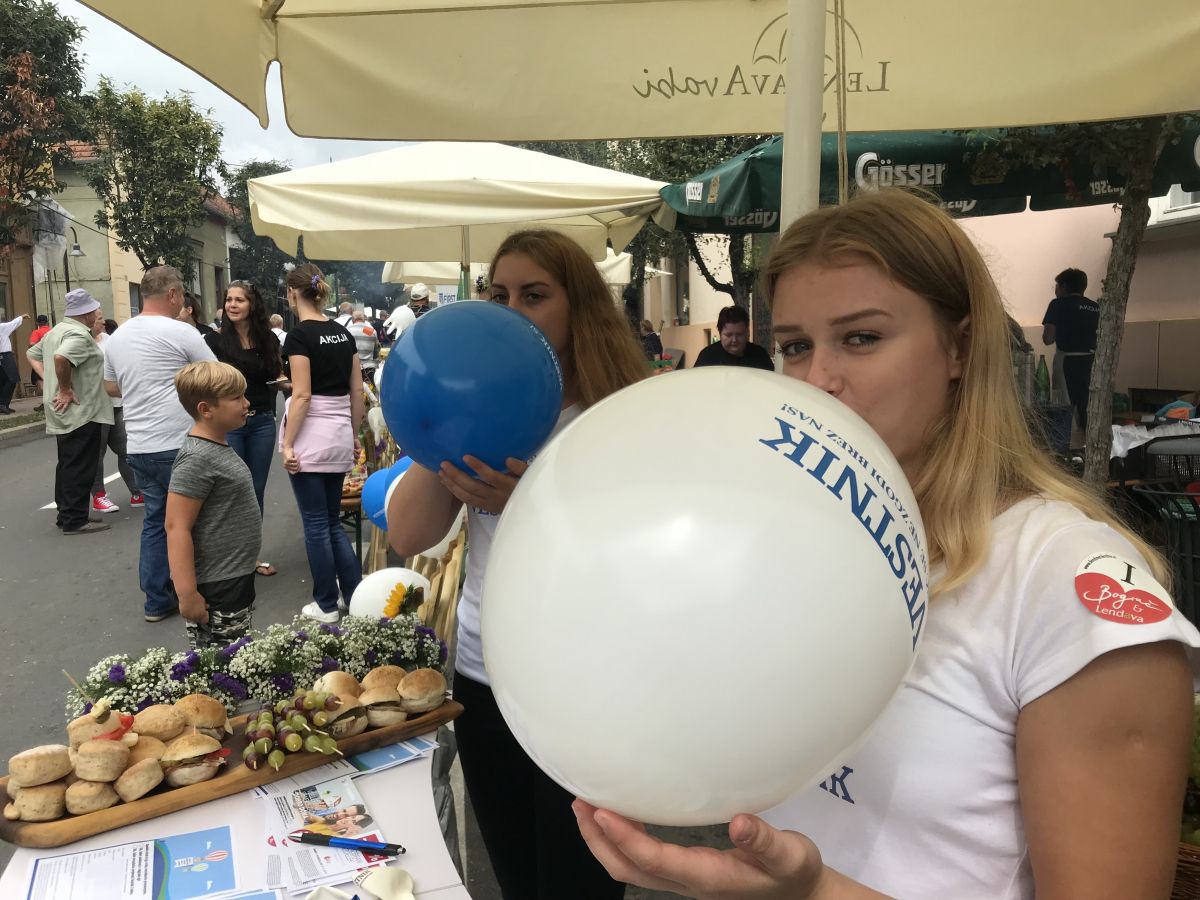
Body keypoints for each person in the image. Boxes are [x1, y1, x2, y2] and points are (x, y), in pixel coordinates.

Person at [573, 190, 1200, 900]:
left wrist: (813, 893)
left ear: (959, 347)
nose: (818, 381)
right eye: (796, 347)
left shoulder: (1063, 585)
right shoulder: (795, 548)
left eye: (862, 338)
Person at [387, 230, 648, 900]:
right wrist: (444, 425)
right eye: (498, 295)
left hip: (585, 689)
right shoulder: (478, 405)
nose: (511, 312)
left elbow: (641, 568)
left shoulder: (617, 416)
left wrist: (530, 504)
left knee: (578, 884)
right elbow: (410, 533)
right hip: (485, 676)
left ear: (579, 308)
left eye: (534, 295)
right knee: (515, 877)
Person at [104, 266, 216, 623]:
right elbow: (216, 377)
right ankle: (202, 593)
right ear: (172, 294)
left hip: (139, 444)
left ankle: (156, 600)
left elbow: (111, 386)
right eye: (181, 293)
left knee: (156, 521)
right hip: (179, 442)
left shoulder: (119, 336)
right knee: (197, 520)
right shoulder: (181, 331)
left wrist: (141, 385)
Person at [279, 263, 364, 624]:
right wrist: (354, 434)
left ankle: (326, 604)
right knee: (331, 523)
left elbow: (302, 395)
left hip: (311, 436)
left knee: (316, 525)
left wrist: (288, 444)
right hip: (340, 432)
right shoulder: (343, 334)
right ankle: (355, 597)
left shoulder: (299, 337)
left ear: (292, 293)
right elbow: (357, 391)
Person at [165, 361, 260, 649]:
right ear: (206, 409)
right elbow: (176, 527)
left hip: (234, 574)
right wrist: (187, 595)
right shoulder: (196, 459)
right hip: (218, 584)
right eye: (236, 398)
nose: (246, 403)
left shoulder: (217, 446)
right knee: (223, 663)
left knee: (240, 656)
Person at [205, 281, 283, 577]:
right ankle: (228, 557)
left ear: (253, 305)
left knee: (255, 491)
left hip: (262, 421)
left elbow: (277, 375)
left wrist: (296, 386)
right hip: (229, 425)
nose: (233, 305)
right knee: (231, 490)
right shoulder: (214, 341)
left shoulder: (268, 339)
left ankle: (250, 556)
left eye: (239, 300)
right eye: (229, 300)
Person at [26, 290, 113, 535]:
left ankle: (67, 514)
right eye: (95, 311)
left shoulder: (56, 331)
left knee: (67, 462)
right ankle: (75, 519)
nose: (97, 315)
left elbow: (32, 354)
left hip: (62, 410)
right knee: (81, 465)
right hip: (81, 409)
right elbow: (61, 358)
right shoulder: (79, 335)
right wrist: (64, 388)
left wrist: (50, 381)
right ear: (86, 314)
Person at [89, 315, 140, 514]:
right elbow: (34, 354)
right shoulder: (79, 341)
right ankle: (99, 496)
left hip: (116, 404)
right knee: (97, 454)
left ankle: (137, 492)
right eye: (99, 318)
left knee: (127, 448)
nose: (103, 322)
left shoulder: (108, 340)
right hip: (95, 407)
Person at [1042, 267, 1099, 429]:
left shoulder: (1057, 304)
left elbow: (1048, 339)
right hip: (1092, 361)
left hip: (1067, 361)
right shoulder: (1095, 307)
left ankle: (1072, 440)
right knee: (1088, 405)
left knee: (1066, 407)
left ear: (1064, 286)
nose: (1055, 290)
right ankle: (1088, 437)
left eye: (1056, 286)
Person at [692, 304, 775, 370]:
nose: (734, 340)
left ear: (747, 332)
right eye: (728, 335)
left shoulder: (760, 355)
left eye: (739, 334)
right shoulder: (707, 357)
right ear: (720, 333)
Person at [0, 310, 30, 414]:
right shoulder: (1, 327)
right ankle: (3, 404)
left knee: (3, 380)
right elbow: (12, 323)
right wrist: (22, 316)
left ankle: (4, 405)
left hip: (3, 355)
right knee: (12, 379)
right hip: (5, 355)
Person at [346, 309, 379, 385]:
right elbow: (375, 351)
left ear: (353, 319)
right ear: (364, 319)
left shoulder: (347, 330)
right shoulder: (371, 331)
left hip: (353, 368)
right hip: (369, 368)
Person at [27, 314, 50, 398]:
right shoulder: (53, 331)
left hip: (40, 359)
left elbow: (32, 344)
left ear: (37, 323)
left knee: (38, 378)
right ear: (47, 322)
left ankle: (47, 398)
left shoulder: (37, 332)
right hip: (53, 358)